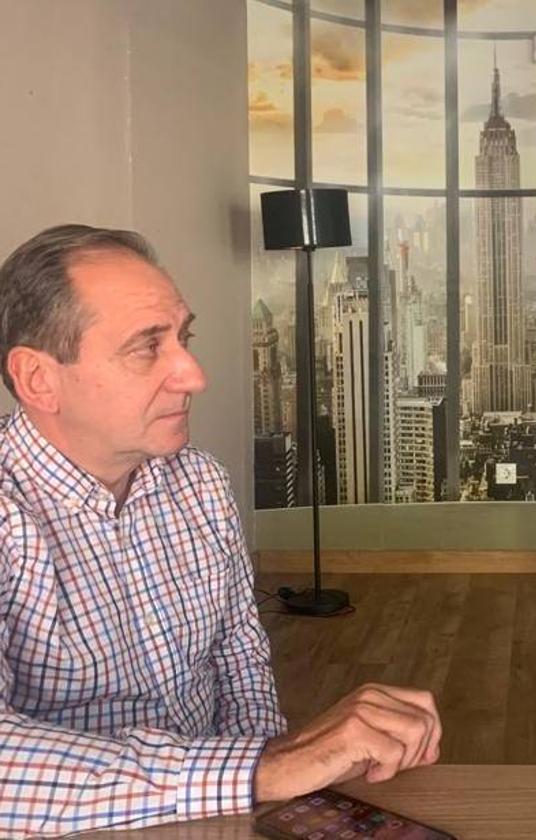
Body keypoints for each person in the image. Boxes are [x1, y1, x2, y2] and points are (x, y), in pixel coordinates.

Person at [0, 225, 442, 837]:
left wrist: (267, 804)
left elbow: (239, 659)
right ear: (38, 379)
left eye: (183, 338)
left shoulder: (200, 482)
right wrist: (263, 771)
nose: (193, 374)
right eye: (146, 347)